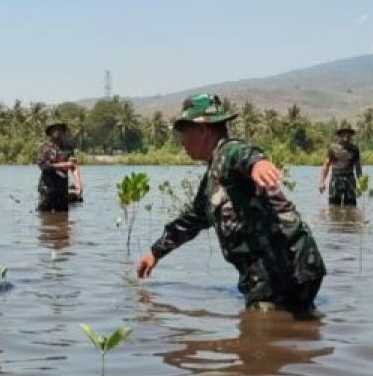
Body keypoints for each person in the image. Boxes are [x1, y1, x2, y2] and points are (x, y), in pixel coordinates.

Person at [136, 94, 325, 311]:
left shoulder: (227, 152)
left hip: (279, 269)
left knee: (259, 336)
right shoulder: (213, 177)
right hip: (293, 266)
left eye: (184, 133)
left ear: (203, 129)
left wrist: (258, 163)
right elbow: (192, 220)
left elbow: (243, 153)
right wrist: (155, 252)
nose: (182, 142)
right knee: (295, 332)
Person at [35, 121, 76, 212]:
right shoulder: (44, 147)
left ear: (63, 132)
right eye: (55, 129)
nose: (58, 131)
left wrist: (78, 184)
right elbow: (42, 165)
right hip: (47, 188)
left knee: (63, 218)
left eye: (60, 129)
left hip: (62, 189)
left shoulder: (68, 147)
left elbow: (73, 165)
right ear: (50, 132)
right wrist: (62, 165)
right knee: (44, 215)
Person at [319, 124, 361, 206]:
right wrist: (321, 182)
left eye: (348, 133)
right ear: (340, 134)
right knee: (333, 206)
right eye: (344, 133)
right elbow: (326, 165)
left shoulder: (355, 149)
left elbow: (358, 167)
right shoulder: (333, 148)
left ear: (351, 135)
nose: (346, 135)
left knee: (351, 206)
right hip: (336, 179)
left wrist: (360, 183)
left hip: (350, 179)